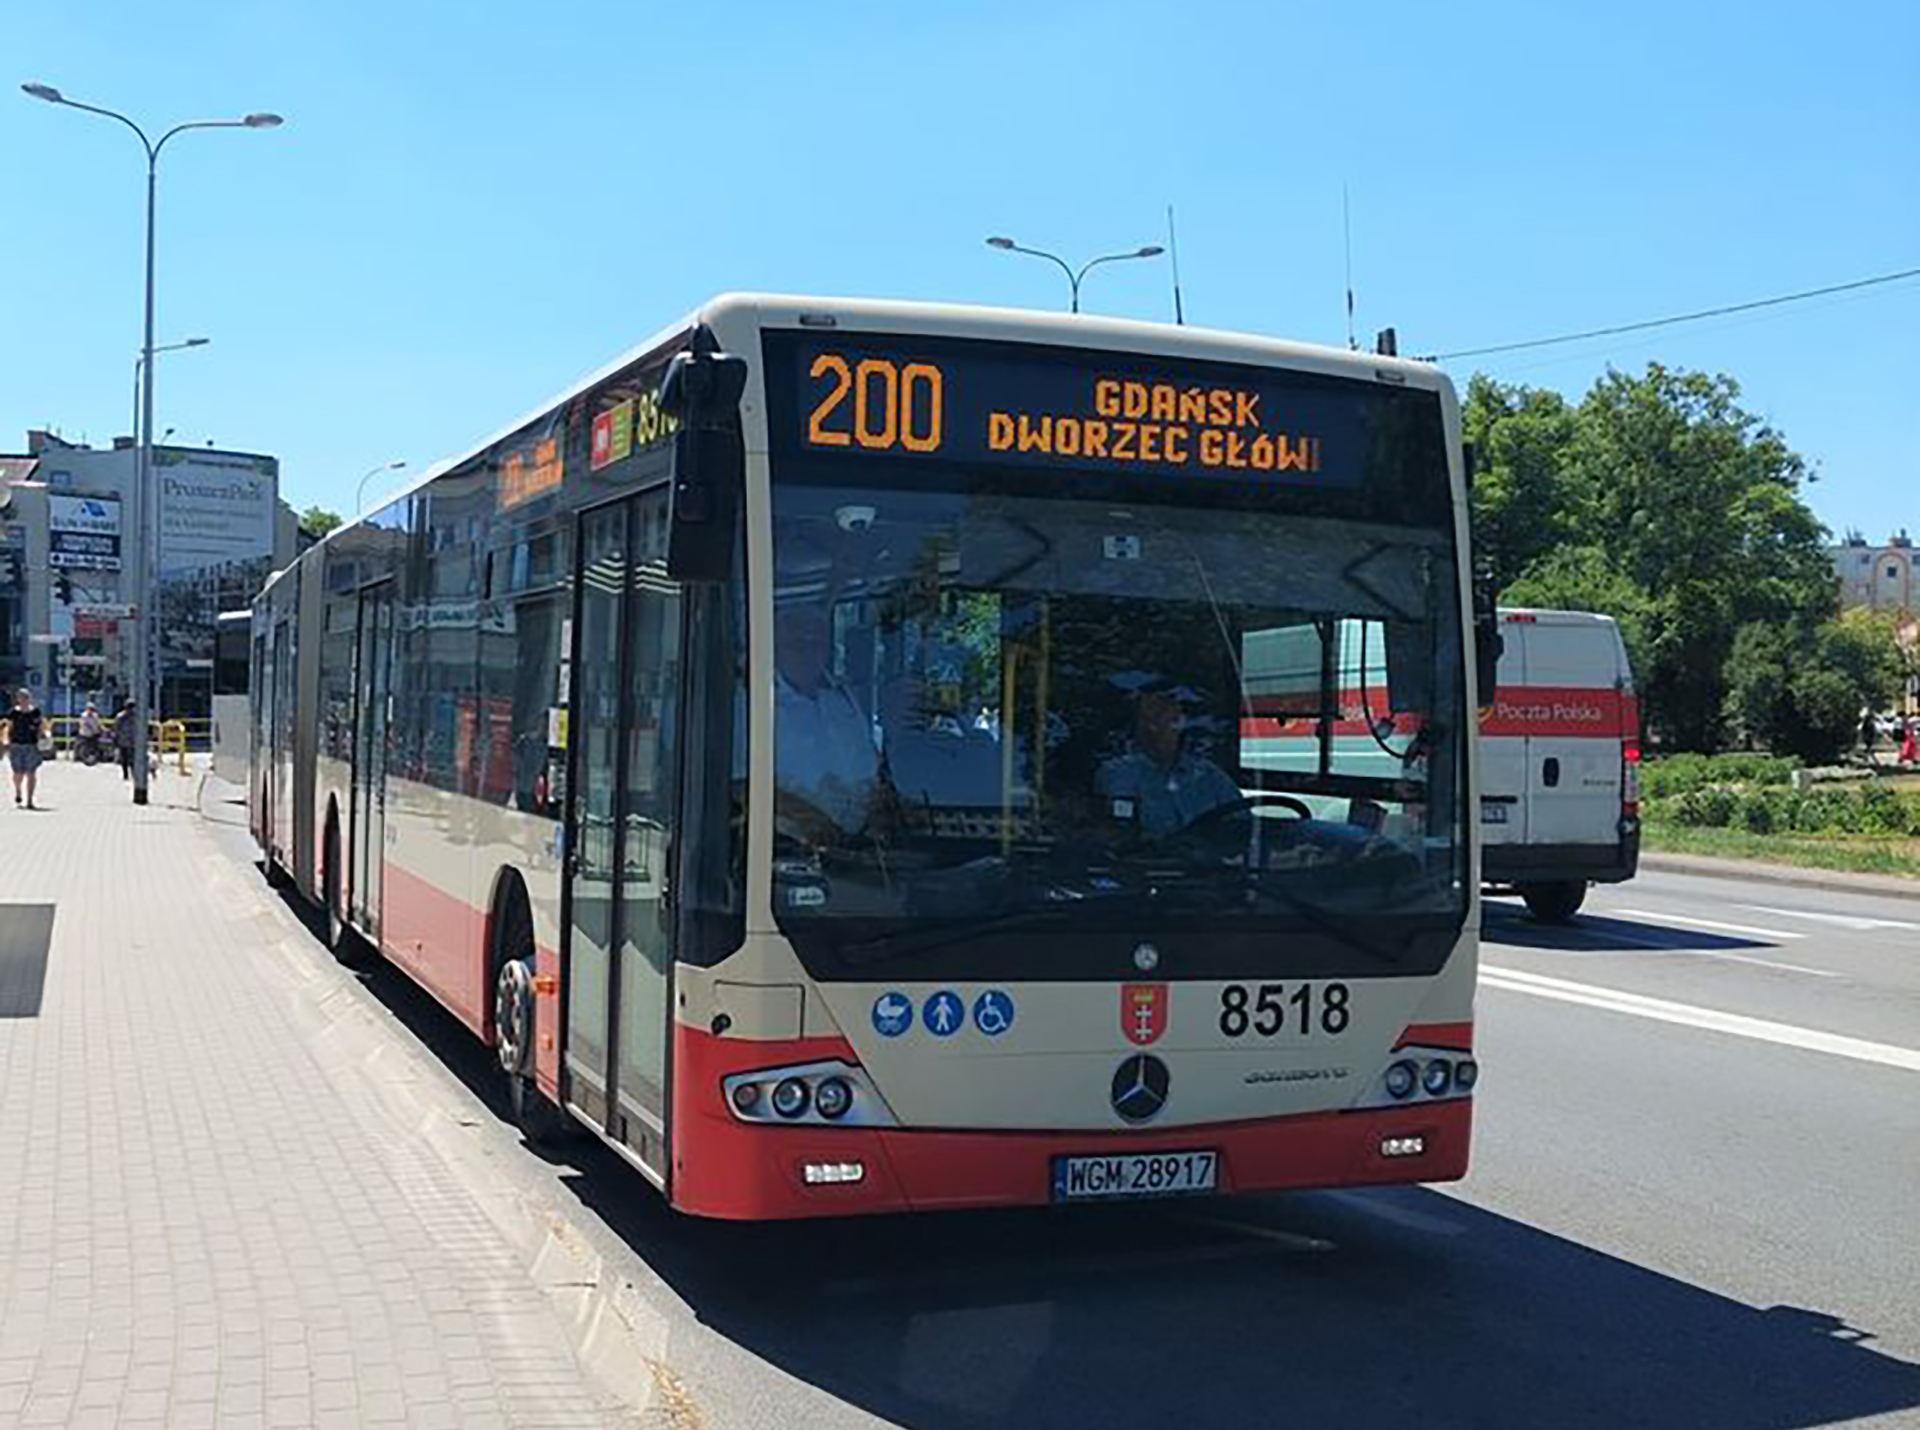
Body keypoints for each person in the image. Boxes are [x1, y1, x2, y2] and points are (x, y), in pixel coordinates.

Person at [773, 600, 881, 845]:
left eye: (815, 642)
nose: (807, 648)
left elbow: (870, 771)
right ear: (774, 644)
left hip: (857, 851)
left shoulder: (843, 705)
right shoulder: (749, 706)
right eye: (796, 642)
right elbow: (739, 787)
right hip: (781, 853)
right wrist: (813, 820)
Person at [1096, 687, 1242, 840]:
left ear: (1179, 725)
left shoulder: (1209, 776)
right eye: (1147, 719)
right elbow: (1114, 835)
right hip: (1141, 862)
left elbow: (1241, 826)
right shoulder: (1117, 774)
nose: (1154, 728)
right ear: (1137, 726)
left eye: (1163, 718)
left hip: (1206, 862)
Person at [8, 688, 45, 809]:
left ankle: (29, 800)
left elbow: (41, 727)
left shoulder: (35, 712)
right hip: (16, 744)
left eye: (25, 698)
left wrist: (42, 739)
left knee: (31, 773)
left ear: (29, 699)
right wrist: (5, 742)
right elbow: (9, 727)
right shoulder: (13, 713)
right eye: (20, 698)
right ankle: (18, 791)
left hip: (31, 745)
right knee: (18, 773)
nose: (23, 700)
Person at [113, 697, 137, 781]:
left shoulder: (134, 716)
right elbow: (116, 728)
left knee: (129, 759)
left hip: (129, 740)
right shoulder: (121, 717)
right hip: (128, 740)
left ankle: (130, 774)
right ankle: (127, 774)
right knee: (126, 759)